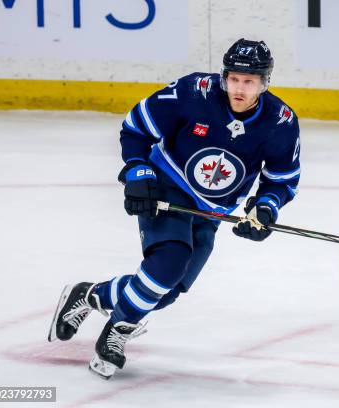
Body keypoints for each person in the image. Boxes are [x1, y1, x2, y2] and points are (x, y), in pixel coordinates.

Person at [47, 38, 301, 379]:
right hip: (168, 187)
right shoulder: (192, 92)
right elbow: (136, 127)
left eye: (249, 81)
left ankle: (89, 295)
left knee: (166, 290)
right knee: (168, 263)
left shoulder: (280, 122)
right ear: (224, 75)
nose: (239, 88)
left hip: (212, 211)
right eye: (234, 78)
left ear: (264, 82)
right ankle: (116, 331)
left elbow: (281, 179)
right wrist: (138, 170)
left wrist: (265, 209)